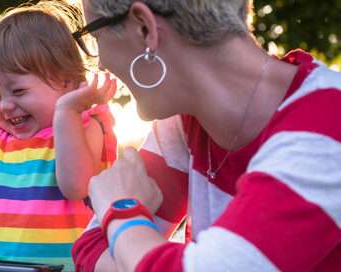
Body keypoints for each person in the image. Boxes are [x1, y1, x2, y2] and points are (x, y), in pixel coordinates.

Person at [69, 0, 341, 271]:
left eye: (95, 37)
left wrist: (120, 211)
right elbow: (91, 249)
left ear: (144, 29)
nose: (101, 63)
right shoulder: (184, 122)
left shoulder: (328, 124)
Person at [0, 2, 119, 271]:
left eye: (18, 91)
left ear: (67, 82)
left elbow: (75, 186)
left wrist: (67, 112)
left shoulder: (87, 126)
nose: (5, 105)